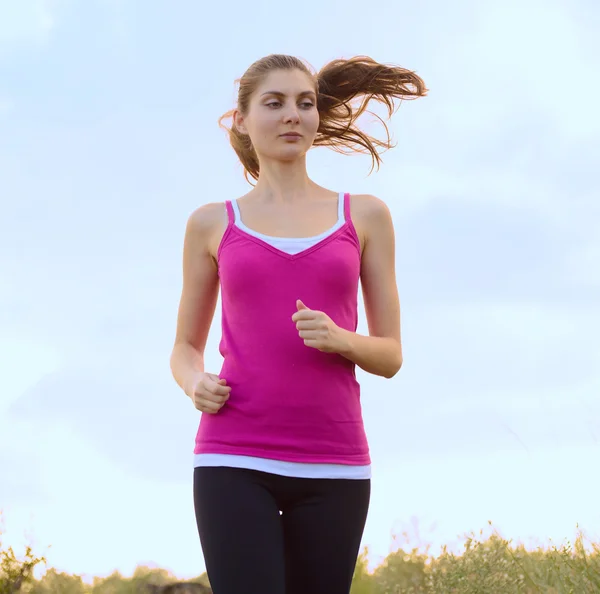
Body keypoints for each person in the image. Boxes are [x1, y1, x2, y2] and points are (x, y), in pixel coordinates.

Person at [170, 54, 427, 594]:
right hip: (233, 455)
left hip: (335, 462)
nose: (293, 115)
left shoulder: (365, 216)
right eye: (275, 103)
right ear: (240, 119)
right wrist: (196, 383)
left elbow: (391, 356)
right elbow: (184, 349)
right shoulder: (212, 223)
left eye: (305, 103)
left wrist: (340, 339)